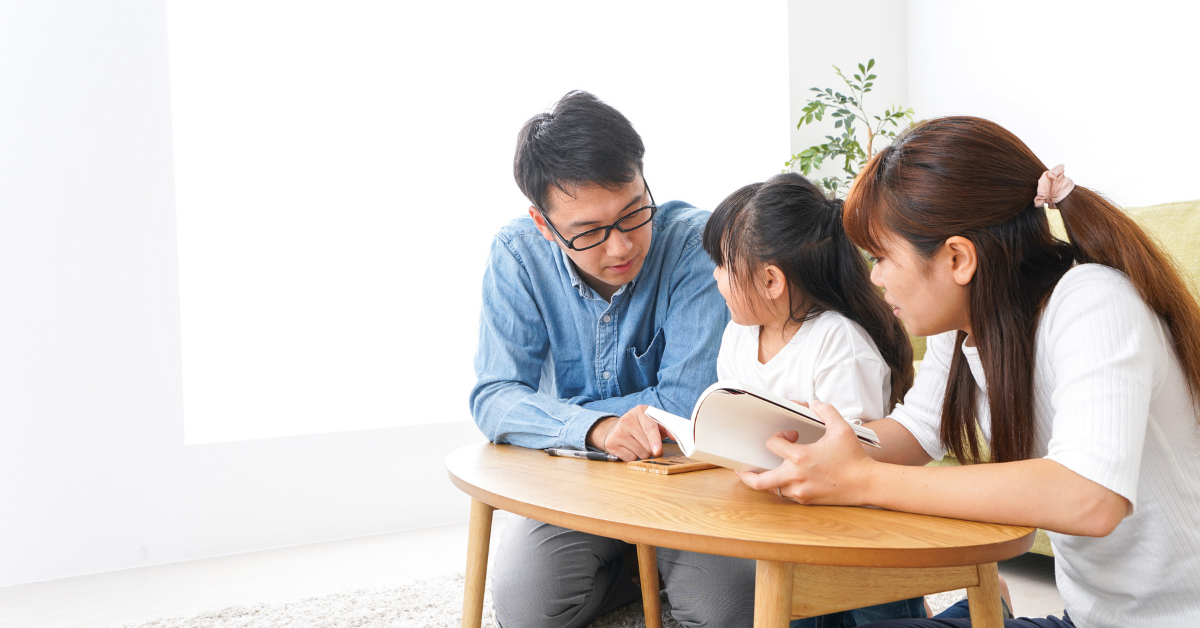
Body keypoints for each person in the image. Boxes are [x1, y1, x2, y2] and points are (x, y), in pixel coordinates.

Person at [735, 116, 1200, 628]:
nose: (876, 277)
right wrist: (811, 444)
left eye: (883, 257)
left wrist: (862, 478)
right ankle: (982, 608)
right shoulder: (961, 327)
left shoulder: (1092, 302)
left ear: (958, 258)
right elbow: (916, 430)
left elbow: (1090, 497)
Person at [470, 91, 754, 628]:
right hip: (576, 474)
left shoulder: (697, 243)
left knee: (726, 611)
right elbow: (495, 396)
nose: (620, 246)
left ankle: (649, 566)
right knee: (527, 611)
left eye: (632, 214)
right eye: (589, 232)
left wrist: (556, 416)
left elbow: (683, 402)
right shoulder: (517, 255)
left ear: (645, 182)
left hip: (686, 475)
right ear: (543, 224)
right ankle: (630, 568)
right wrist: (595, 426)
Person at [703, 172, 925, 627]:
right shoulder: (737, 336)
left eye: (724, 265)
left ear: (770, 280)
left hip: (859, 539)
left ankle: (980, 605)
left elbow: (859, 454)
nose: (715, 277)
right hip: (784, 525)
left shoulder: (838, 342)